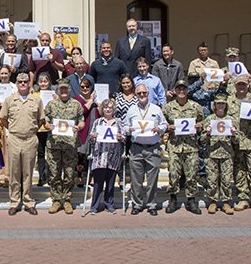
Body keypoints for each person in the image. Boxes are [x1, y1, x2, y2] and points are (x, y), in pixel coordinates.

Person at [0, 72, 43, 215]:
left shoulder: (36, 100)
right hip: (15, 139)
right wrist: (14, 129)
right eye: (20, 81)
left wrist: (31, 130)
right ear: (16, 84)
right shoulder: (9, 100)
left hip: (30, 139)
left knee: (28, 173)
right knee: (14, 172)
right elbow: (3, 119)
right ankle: (14, 201)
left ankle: (28, 201)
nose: (23, 83)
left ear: (29, 83)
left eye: (25, 81)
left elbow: (40, 119)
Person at [123, 83, 168, 215]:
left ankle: (151, 204)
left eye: (144, 93)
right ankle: (137, 204)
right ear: (136, 95)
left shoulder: (156, 109)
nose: (142, 95)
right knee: (136, 179)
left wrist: (159, 128)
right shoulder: (131, 110)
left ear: (148, 94)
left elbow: (164, 124)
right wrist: (128, 129)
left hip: (153, 148)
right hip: (136, 148)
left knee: (152, 179)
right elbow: (125, 126)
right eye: (139, 93)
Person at [162, 80, 204, 214]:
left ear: (187, 91)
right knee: (173, 174)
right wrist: (169, 127)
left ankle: (191, 201)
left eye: (184, 89)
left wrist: (199, 126)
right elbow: (162, 124)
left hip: (190, 146)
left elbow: (202, 120)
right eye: (179, 89)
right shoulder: (168, 107)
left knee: (191, 175)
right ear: (175, 91)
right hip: (175, 146)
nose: (181, 91)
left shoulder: (195, 106)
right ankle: (173, 200)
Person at [44, 78, 85, 214]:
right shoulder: (51, 104)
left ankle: (67, 200)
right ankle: (56, 200)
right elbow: (45, 121)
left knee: (68, 173)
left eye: (65, 88)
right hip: (54, 144)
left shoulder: (76, 105)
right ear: (58, 89)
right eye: (60, 88)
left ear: (69, 89)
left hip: (70, 145)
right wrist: (47, 125)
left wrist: (78, 127)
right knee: (54, 173)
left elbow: (82, 122)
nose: (63, 90)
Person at [227, 75, 251, 213]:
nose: (241, 87)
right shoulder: (229, 101)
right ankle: (243, 198)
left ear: (248, 85)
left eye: (244, 84)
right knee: (239, 172)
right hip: (237, 143)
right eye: (239, 84)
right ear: (235, 85)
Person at [87, 99, 125, 215]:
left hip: (113, 157)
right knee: (98, 183)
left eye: (110, 108)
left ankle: (109, 204)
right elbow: (91, 139)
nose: (108, 110)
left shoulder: (118, 122)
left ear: (114, 110)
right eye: (105, 108)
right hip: (100, 156)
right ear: (102, 109)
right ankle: (95, 206)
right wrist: (93, 136)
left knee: (110, 183)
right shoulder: (98, 122)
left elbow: (124, 137)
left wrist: (120, 137)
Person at [202, 93, 236, 214]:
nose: (220, 106)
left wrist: (233, 133)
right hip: (212, 154)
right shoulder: (209, 119)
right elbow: (201, 139)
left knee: (226, 180)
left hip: (226, 154)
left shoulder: (231, 120)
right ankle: (212, 202)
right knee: (212, 179)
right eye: (218, 103)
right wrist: (207, 133)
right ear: (214, 105)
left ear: (226, 105)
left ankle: (226, 202)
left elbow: (237, 141)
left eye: (222, 103)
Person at [74, 78, 99, 187]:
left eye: (87, 86)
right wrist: (90, 101)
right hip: (82, 131)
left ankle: (92, 177)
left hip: (93, 130)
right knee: (81, 155)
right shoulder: (76, 99)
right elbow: (82, 111)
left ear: (91, 88)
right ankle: (80, 177)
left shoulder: (97, 100)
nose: (85, 89)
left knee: (93, 154)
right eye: (82, 87)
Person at [33, 72, 56, 187]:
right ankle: (42, 176)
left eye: (45, 81)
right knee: (41, 153)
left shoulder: (53, 95)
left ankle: (51, 176)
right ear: (38, 83)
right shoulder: (34, 95)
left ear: (49, 82)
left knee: (51, 153)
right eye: (41, 81)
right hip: (40, 128)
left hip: (51, 128)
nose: (43, 83)